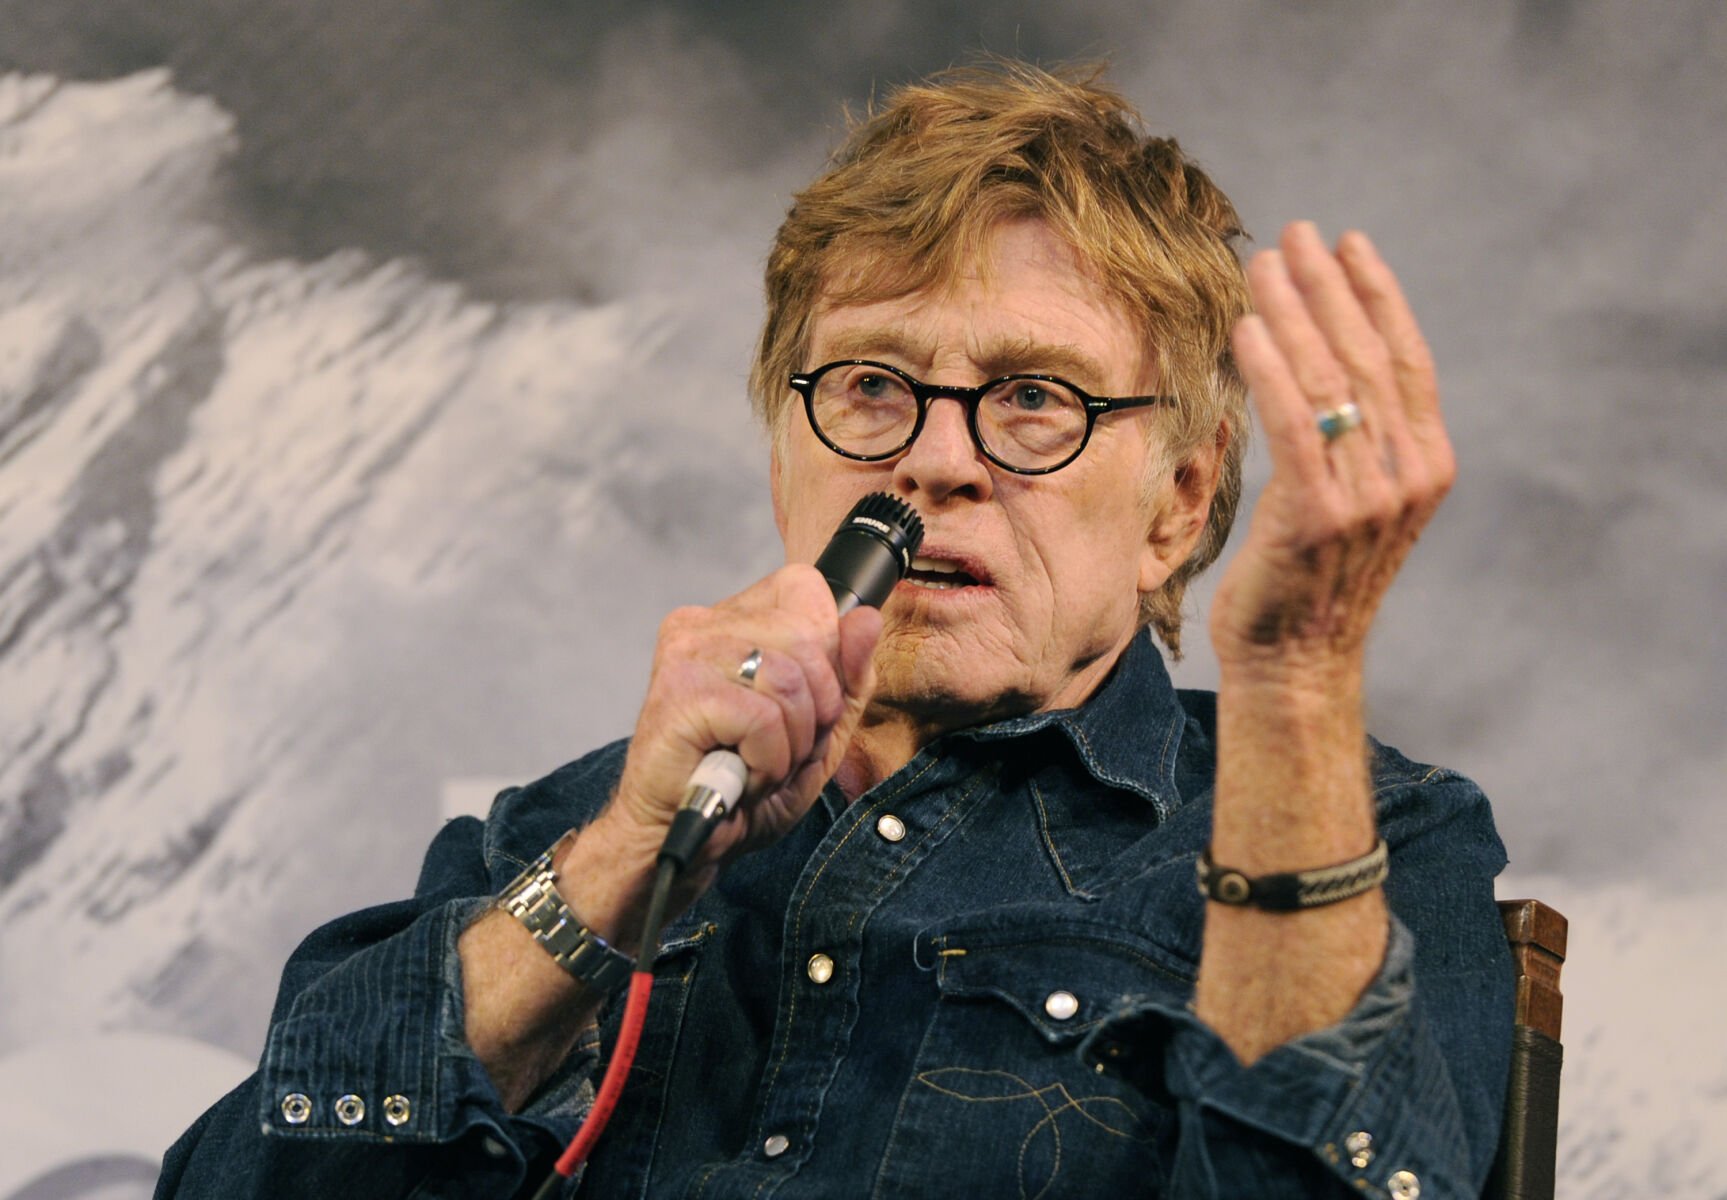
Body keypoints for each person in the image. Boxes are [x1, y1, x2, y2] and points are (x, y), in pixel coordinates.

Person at [156, 62, 1512, 1199]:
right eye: (871, 385)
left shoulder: (1370, 837)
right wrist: (618, 868)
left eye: (1035, 398)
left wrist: (1295, 681)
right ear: (782, 461)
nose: (936, 459)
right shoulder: (568, 832)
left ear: (1181, 503)